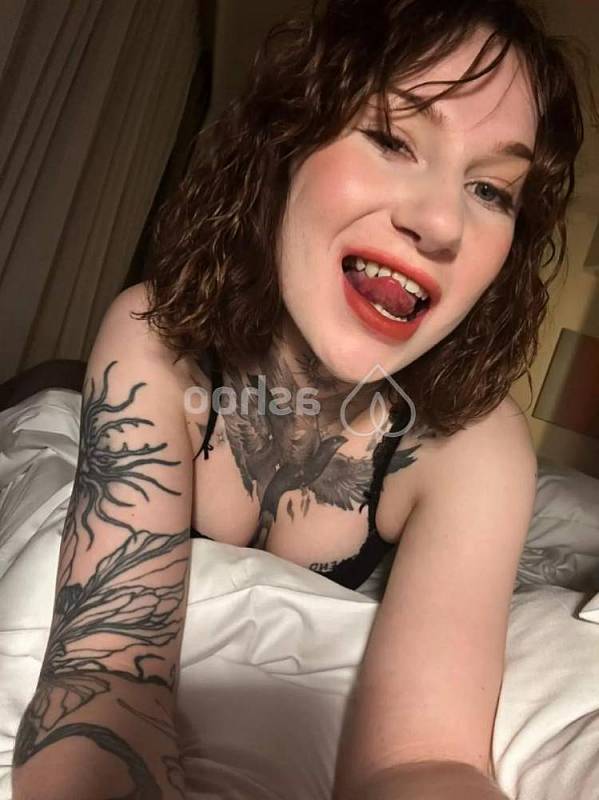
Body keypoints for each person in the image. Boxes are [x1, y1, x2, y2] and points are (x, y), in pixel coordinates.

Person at [12, 1, 596, 798]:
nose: (440, 222)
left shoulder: (475, 445)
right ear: (287, 142)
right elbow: (105, 678)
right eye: (392, 138)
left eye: (491, 189)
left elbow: (423, 759)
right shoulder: (155, 339)